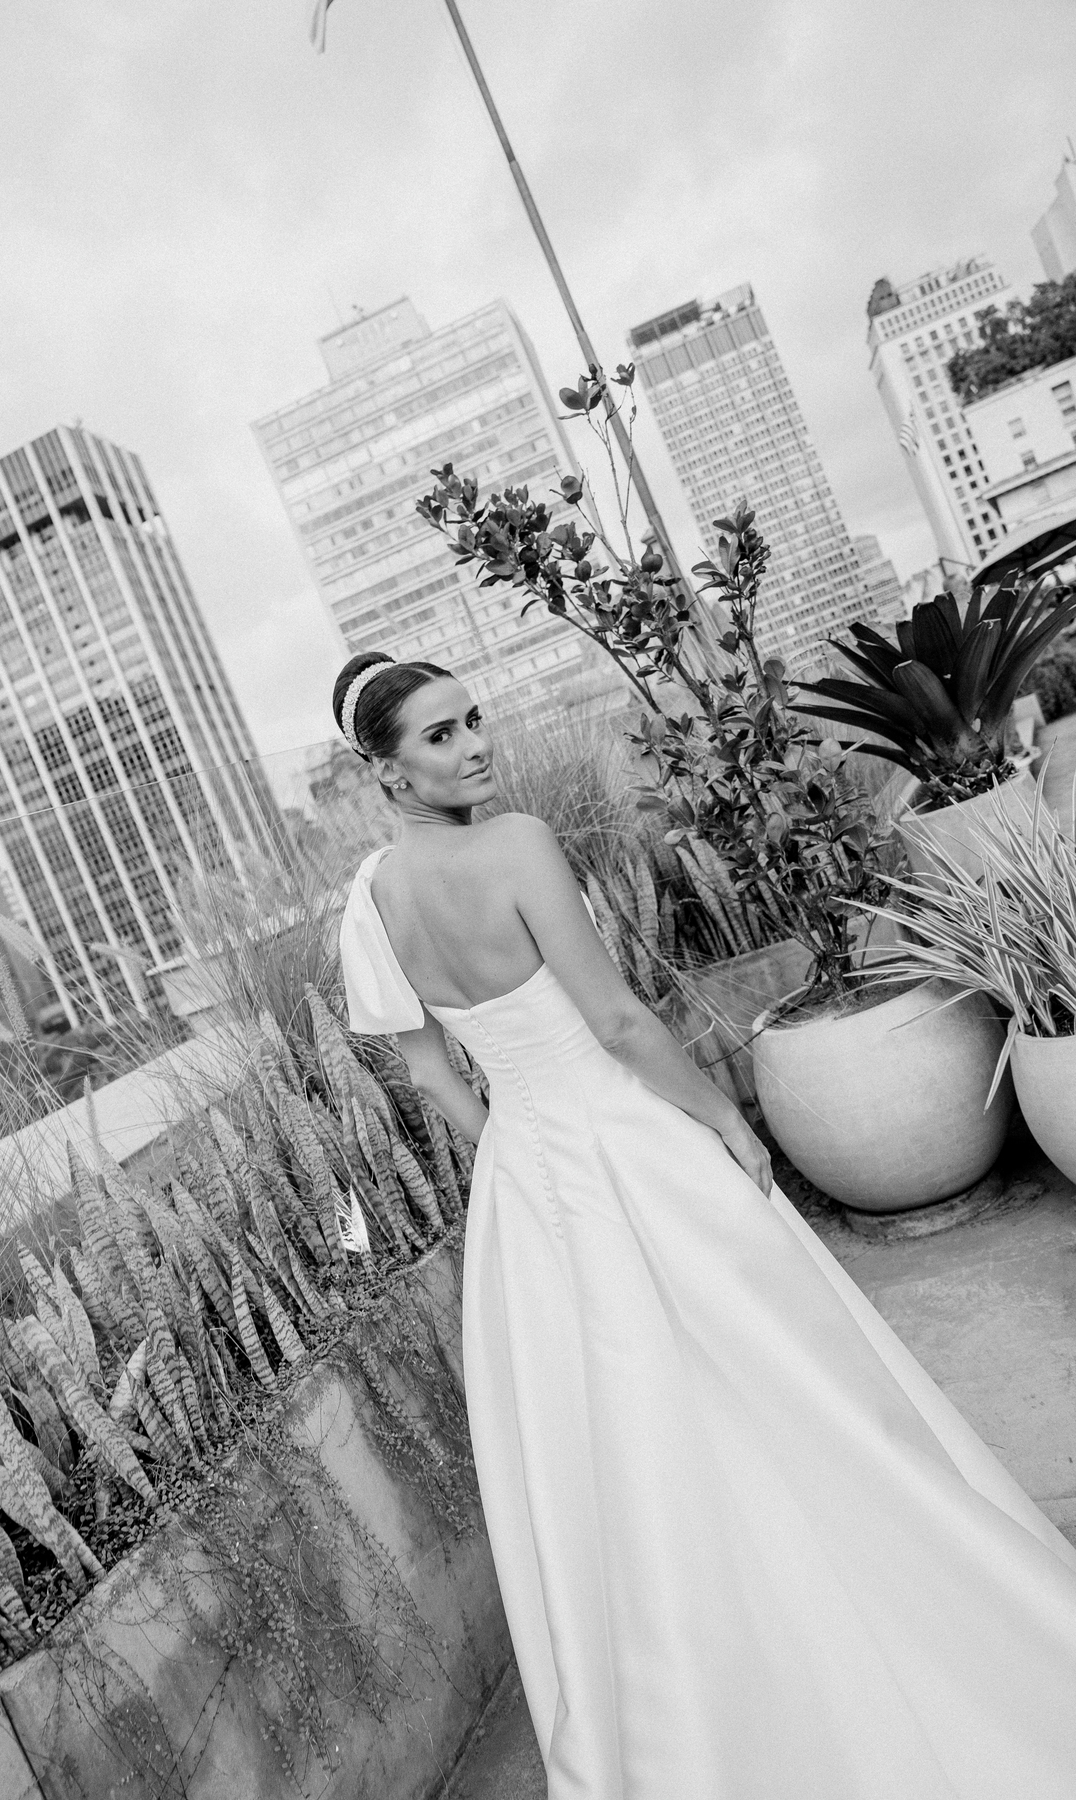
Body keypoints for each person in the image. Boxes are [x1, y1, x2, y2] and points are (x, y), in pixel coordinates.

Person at [333, 649, 1076, 1799]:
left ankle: (694, 1700)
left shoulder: (372, 900)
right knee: (778, 1375)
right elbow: (621, 1024)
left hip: (526, 1180)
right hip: (628, 1138)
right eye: (440, 735)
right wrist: (726, 1120)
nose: (476, 744)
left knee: (611, 1434)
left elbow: (429, 1073)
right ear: (385, 770)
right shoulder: (517, 843)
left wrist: (522, 1150)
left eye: (474, 717)